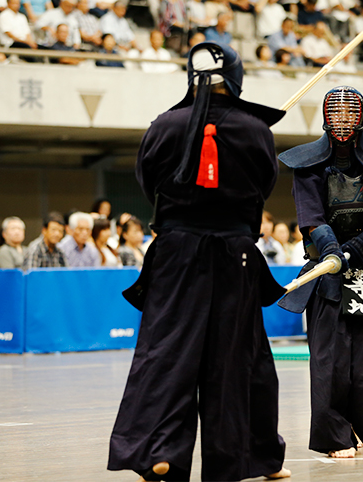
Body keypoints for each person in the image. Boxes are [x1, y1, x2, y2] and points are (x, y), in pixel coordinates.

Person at [109, 41, 290, 481]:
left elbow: (148, 181)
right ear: (237, 76)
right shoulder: (256, 129)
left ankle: (159, 452)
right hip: (235, 254)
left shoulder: (163, 125)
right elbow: (264, 185)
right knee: (237, 356)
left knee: (167, 351)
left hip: (175, 253)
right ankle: (245, 458)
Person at [277, 86, 363, 459]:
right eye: (334, 115)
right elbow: (310, 216)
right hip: (328, 273)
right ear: (325, 118)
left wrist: (358, 247)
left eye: (347, 115)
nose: (341, 123)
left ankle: (358, 428)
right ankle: (334, 436)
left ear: (361, 118)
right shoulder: (309, 165)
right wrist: (331, 249)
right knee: (331, 362)